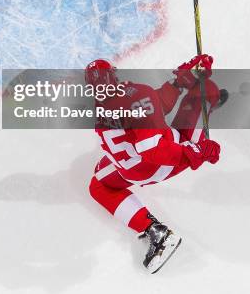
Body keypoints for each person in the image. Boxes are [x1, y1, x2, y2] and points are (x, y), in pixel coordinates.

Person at [86, 55, 221, 273]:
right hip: (161, 162)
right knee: (206, 90)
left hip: (131, 169)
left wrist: (178, 83)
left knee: (99, 185)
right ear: (114, 75)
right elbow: (155, 151)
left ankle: (154, 230)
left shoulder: (100, 106)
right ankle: (208, 103)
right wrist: (196, 152)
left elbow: (153, 107)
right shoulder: (135, 93)